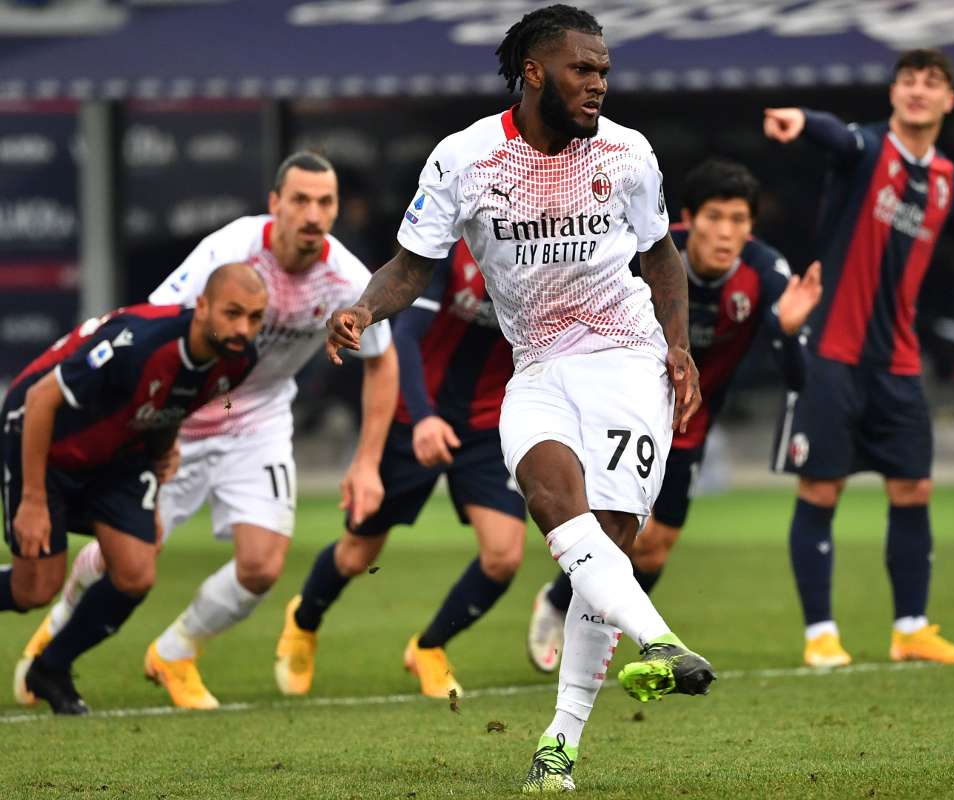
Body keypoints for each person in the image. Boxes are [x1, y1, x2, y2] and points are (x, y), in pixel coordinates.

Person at [324, 5, 714, 792]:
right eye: (583, 69)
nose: (598, 84)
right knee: (551, 503)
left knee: (607, 546)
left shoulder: (628, 154)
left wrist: (677, 346)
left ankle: (558, 747)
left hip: (627, 360)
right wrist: (363, 309)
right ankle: (663, 642)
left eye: (604, 71)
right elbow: (411, 266)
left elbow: (662, 257)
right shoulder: (466, 158)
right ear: (534, 72)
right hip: (536, 367)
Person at [16, 152, 398, 710]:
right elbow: (156, 325)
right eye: (300, 200)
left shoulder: (347, 278)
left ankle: (175, 652)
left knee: (262, 567)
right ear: (275, 203)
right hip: (182, 417)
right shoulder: (230, 250)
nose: (313, 214)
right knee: (128, 553)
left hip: (260, 418)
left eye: (325, 202)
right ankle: (60, 623)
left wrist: (366, 462)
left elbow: (382, 360)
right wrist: (140, 430)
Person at [762, 48, 954, 668]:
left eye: (932, 83)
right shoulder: (866, 149)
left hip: (898, 363)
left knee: (913, 488)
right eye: (908, 80)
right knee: (821, 489)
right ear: (893, 92)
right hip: (830, 352)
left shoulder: (946, 180)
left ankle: (910, 630)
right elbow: (835, 135)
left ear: (949, 100)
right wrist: (802, 119)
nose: (918, 90)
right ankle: (821, 635)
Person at [526, 157, 822, 671]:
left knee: (654, 549)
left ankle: (581, 613)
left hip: (687, 428)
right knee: (611, 527)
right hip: (623, 408)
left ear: (751, 227)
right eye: (714, 217)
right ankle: (560, 610)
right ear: (688, 218)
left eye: (738, 220)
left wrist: (789, 333)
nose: (725, 232)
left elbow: (797, 379)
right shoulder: (650, 252)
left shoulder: (766, 273)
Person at [1, 263, 266, 714]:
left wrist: (163, 456)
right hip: (46, 443)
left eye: (255, 317)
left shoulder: (239, 361)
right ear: (202, 307)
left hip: (119, 456)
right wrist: (32, 498)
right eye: (233, 313)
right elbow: (39, 399)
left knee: (136, 572)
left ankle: (51, 668)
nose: (243, 328)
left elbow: (174, 403)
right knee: (35, 589)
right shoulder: (138, 343)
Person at [275, 239, 526, 699]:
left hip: (487, 423)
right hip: (414, 414)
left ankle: (429, 648)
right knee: (356, 556)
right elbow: (405, 336)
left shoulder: (552, 256)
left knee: (504, 556)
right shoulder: (455, 250)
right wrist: (424, 417)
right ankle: (304, 620)